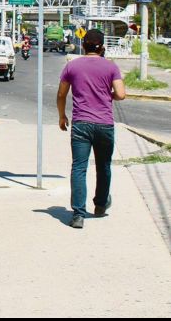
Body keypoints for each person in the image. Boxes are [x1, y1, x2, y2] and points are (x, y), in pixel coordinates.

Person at [56, 29, 125, 229]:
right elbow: (121, 94)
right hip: (104, 124)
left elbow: (61, 94)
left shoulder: (72, 66)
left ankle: (78, 214)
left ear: (83, 45)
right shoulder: (111, 66)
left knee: (79, 167)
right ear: (102, 47)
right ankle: (101, 204)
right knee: (104, 166)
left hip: (81, 124)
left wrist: (62, 116)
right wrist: (106, 94)